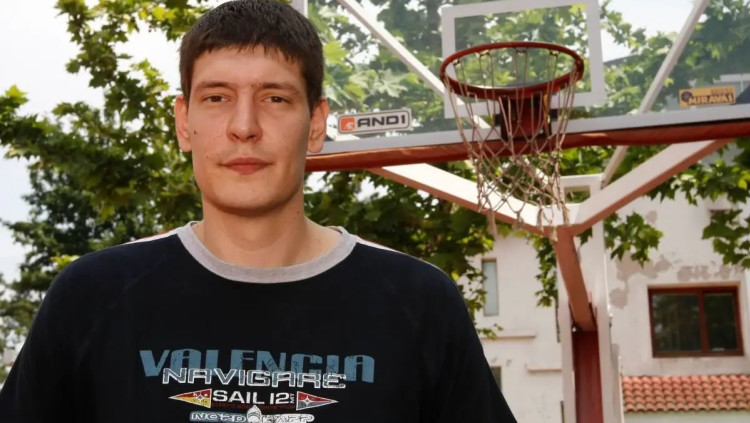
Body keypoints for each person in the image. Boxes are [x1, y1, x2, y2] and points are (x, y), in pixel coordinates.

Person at [0, 1, 516, 422]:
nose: (244, 126)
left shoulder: (420, 303)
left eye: (274, 98)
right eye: (217, 98)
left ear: (316, 124)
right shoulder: (92, 297)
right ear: (183, 122)